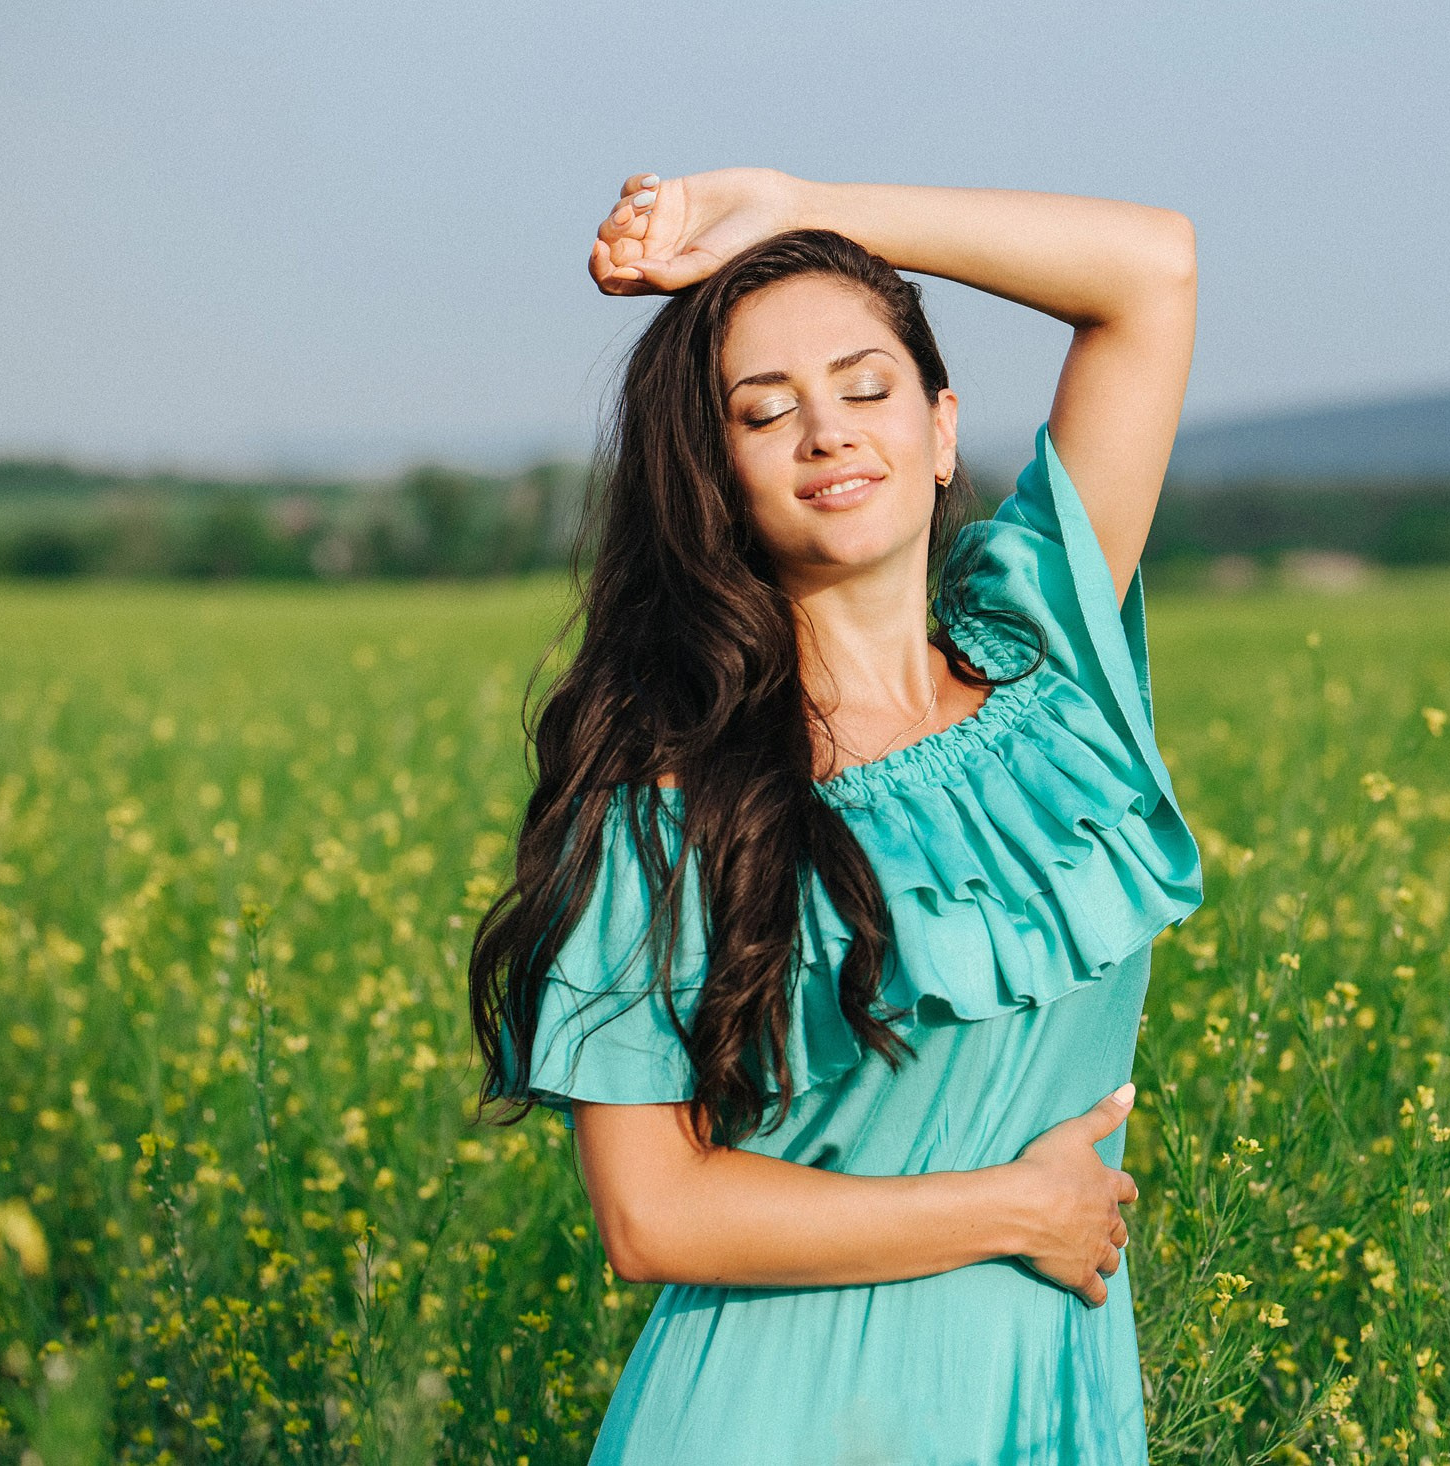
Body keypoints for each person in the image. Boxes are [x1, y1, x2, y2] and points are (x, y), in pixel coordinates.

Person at [467, 165, 1203, 1466]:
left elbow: (1149, 272)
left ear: (938, 429)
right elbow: (654, 1216)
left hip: (1049, 1408)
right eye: (766, 411)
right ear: (713, 480)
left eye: (867, 387)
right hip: (777, 1418)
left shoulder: (1051, 660)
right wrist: (1009, 1212)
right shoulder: (663, 802)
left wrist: (796, 209)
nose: (828, 430)